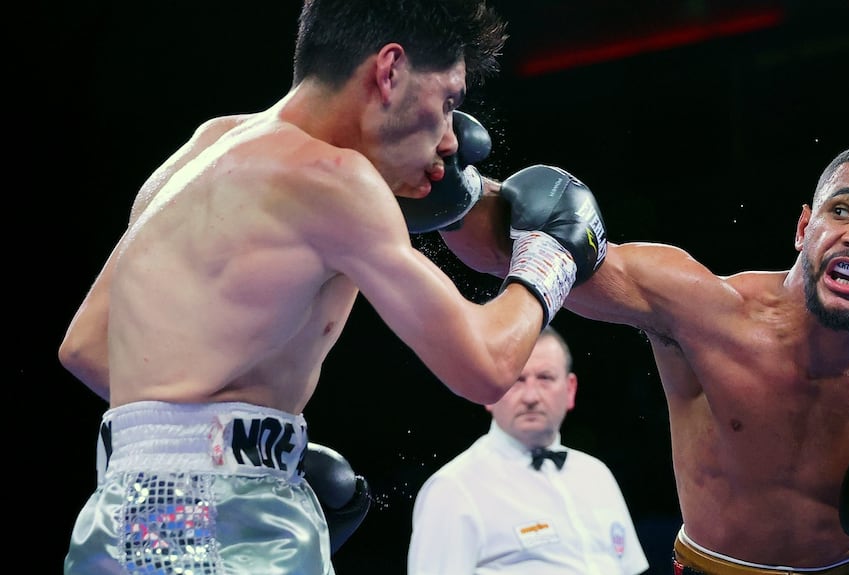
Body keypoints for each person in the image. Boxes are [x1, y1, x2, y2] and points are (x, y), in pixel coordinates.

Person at [58, 1, 608, 574]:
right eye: (448, 102)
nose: (450, 139)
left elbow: (87, 347)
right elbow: (487, 366)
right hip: (221, 521)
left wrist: (241, 443)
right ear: (389, 70)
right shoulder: (337, 182)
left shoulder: (207, 145)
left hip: (117, 515)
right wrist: (551, 258)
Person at [440, 144, 849, 575]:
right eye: (841, 210)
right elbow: (517, 249)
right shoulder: (706, 315)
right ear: (804, 228)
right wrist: (445, 182)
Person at [408, 326, 650, 574]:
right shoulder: (453, 487)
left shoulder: (597, 475)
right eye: (517, 380)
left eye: (545, 378)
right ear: (490, 390)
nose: (531, 396)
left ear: (570, 389)